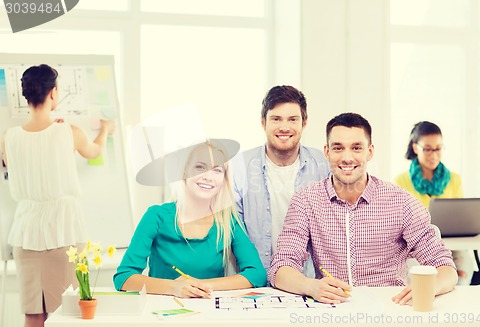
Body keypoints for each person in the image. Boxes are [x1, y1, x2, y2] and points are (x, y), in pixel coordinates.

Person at [269, 112, 458, 305]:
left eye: (356, 148)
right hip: (333, 312)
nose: (347, 157)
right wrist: (311, 287)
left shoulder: (400, 201)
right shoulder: (306, 200)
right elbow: (280, 268)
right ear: (327, 152)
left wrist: (429, 287)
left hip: (390, 310)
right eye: (338, 148)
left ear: (370, 151)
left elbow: (445, 267)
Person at [1, 64, 113, 327]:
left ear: (26, 95)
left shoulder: (9, 137)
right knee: (68, 315)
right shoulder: (69, 132)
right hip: (64, 233)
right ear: (53, 93)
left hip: (26, 236)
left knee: (33, 316)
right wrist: (106, 129)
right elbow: (95, 151)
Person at [113, 139, 267, 298]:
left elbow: (256, 274)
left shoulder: (228, 220)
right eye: (199, 167)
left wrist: (201, 285)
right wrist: (174, 287)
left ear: (224, 180)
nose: (208, 176)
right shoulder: (156, 216)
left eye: (217, 170)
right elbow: (124, 277)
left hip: (209, 311)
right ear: (184, 172)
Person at [232, 85, 329, 275]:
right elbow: (234, 231)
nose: (284, 127)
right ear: (263, 123)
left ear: (304, 123)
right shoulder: (239, 166)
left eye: (293, 119)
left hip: (308, 281)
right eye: (276, 119)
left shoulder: (324, 166)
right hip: (255, 281)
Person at [394, 121, 477, 285]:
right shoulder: (400, 181)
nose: (433, 154)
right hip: (416, 250)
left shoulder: (454, 179)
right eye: (427, 149)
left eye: (438, 148)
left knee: (461, 273)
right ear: (416, 147)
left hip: (452, 247)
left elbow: (460, 217)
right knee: (421, 280)